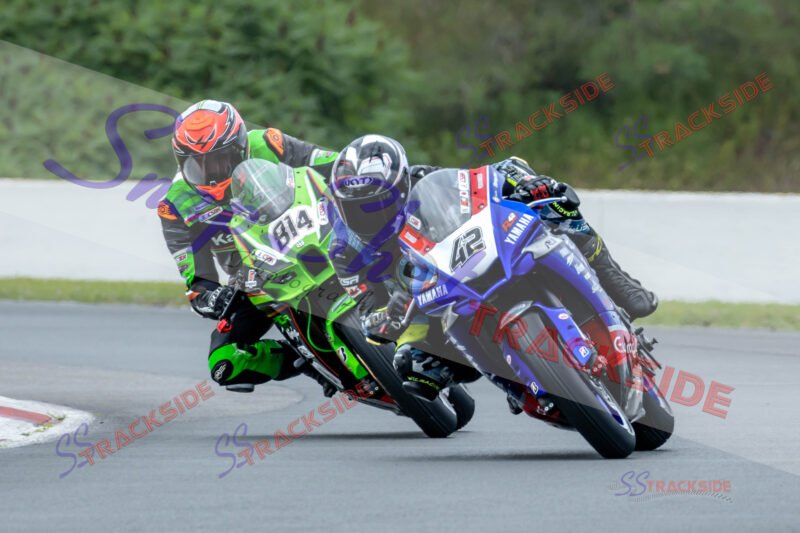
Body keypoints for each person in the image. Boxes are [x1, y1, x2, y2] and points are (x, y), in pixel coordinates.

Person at [329, 134, 658, 400]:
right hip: (432, 306)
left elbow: (490, 176)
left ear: (400, 186)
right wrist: (388, 315)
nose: (366, 214)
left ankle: (617, 282)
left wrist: (529, 183)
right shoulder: (345, 250)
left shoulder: (422, 179)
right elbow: (368, 315)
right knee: (412, 367)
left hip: (478, 256)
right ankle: (516, 380)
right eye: (353, 206)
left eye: (376, 202)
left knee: (557, 206)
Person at [158, 100, 338, 393]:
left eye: (220, 160)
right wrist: (212, 298)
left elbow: (332, 164)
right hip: (258, 280)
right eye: (197, 165)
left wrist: (362, 172)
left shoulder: (268, 143)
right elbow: (197, 281)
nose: (211, 174)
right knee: (224, 363)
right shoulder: (175, 206)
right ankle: (312, 363)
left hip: (316, 237)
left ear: (241, 147)